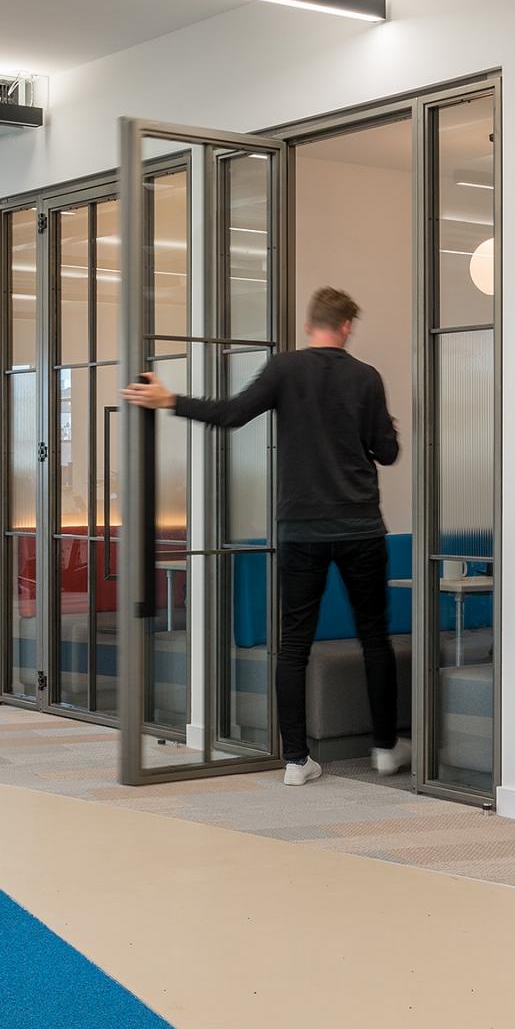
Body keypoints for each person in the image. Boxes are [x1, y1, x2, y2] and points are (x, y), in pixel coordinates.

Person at [122, 286, 404, 787]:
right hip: (359, 527)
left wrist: (169, 400)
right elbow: (387, 453)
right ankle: (384, 748)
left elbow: (231, 414)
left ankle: (296, 759)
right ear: (346, 327)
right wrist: (386, 430)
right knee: (374, 638)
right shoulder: (366, 377)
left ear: (309, 325)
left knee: (293, 644)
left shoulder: (284, 369)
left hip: (301, 529)